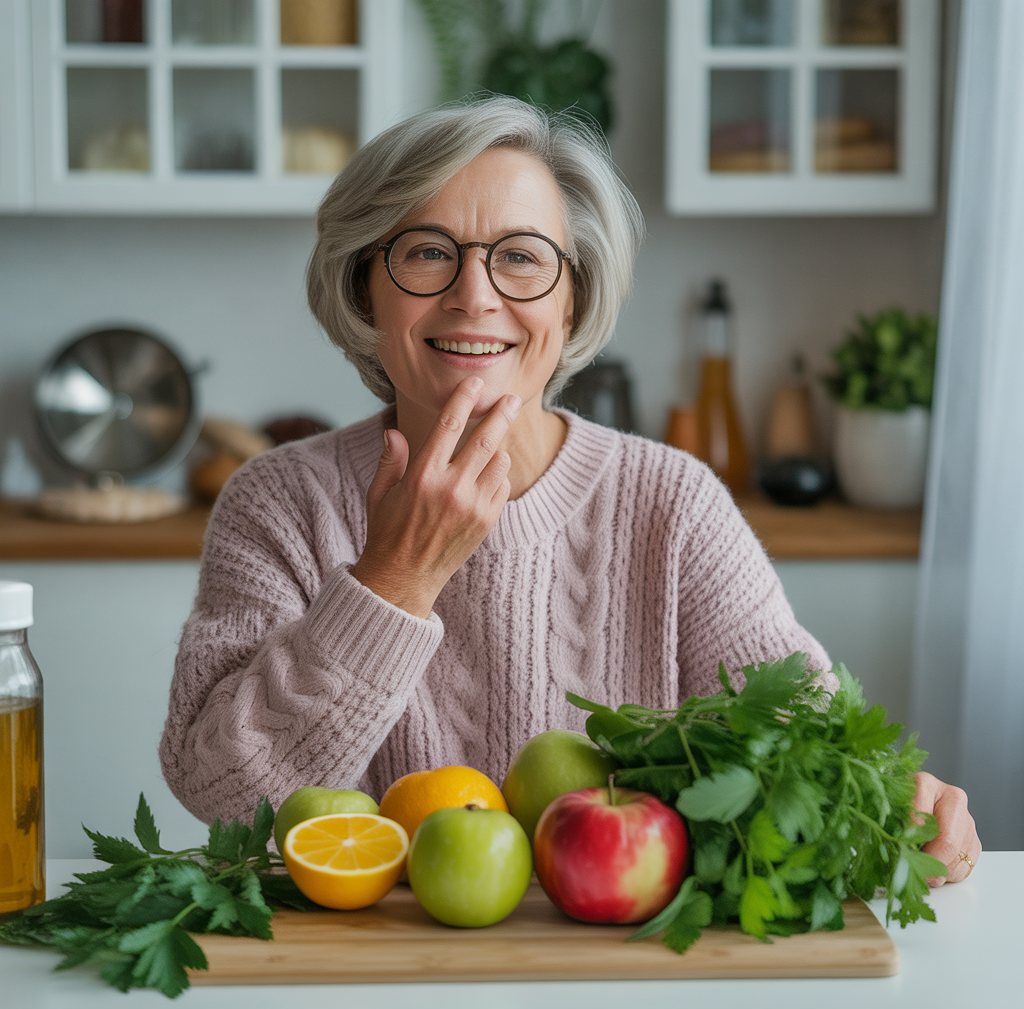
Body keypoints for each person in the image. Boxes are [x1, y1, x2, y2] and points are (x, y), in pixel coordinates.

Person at [159, 96, 979, 884]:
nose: (474, 295)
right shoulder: (276, 503)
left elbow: (805, 742)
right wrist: (394, 581)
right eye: (427, 252)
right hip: (371, 956)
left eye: (521, 256)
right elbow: (222, 796)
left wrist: (899, 800)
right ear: (362, 285)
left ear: (573, 296)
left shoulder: (673, 503)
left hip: (616, 951)